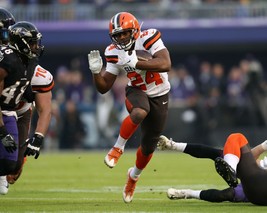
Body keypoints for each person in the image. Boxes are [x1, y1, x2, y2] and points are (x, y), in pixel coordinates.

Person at [88, 12, 171, 203]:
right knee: (140, 111)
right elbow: (104, 87)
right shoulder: (112, 52)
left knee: (148, 147)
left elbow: (166, 63)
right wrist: (95, 72)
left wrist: (139, 63)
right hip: (136, 90)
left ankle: (133, 177)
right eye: (117, 35)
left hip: (160, 94)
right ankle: (117, 148)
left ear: (134, 30)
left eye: (124, 33)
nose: (121, 38)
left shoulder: (149, 37)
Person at [0, 20, 46, 194]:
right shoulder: (7, 61)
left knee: (11, 164)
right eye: (32, 43)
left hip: (11, 110)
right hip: (3, 110)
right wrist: (2, 131)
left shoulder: (30, 64)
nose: (36, 47)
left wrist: (39, 136)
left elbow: (45, 107)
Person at [157, 134, 267, 204]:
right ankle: (173, 146)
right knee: (227, 193)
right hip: (254, 189)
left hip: (256, 183)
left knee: (236, 138)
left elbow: (252, 158)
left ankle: (230, 168)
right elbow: (253, 159)